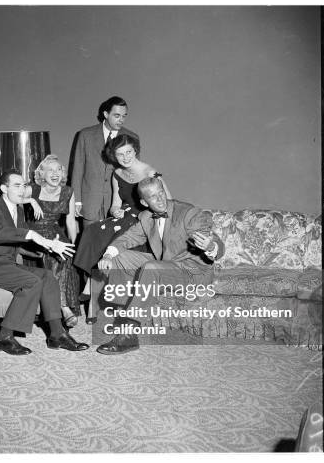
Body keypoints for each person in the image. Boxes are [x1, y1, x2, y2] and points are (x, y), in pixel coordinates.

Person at [95, 177, 225, 355]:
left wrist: (211, 246)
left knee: (152, 267)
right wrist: (108, 255)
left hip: (193, 272)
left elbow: (212, 238)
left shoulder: (187, 213)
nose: (160, 199)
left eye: (161, 193)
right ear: (144, 202)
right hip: (168, 265)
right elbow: (128, 238)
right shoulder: (146, 217)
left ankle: (129, 335)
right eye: (153, 196)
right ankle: (124, 316)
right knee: (120, 258)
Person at [0, 170, 90, 356]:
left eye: (24, 185)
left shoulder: (17, 209)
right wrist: (32, 235)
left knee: (48, 276)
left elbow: (21, 237)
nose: (22, 190)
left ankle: (57, 334)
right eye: (16, 185)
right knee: (31, 282)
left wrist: (48, 246)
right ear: (3, 188)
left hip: (6, 264)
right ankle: (3, 337)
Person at [73, 134, 171, 306]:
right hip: (125, 214)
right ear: (114, 156)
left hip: (145, 216)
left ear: (135, 151)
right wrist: (115, 211)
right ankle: (93, 280)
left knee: (116, 234)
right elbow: (115, 205)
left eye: (129, 152)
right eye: (120, 154)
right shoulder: (117, 173)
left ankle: (94, 285)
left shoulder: (150, 172)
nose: (125, 158)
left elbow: (168, 202)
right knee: (92, 230)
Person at [25, 155, 80, 327]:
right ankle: (63, 308)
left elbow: (70, 221)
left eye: (58, 170)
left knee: (65, 253)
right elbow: (9, 197)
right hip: (34, 233)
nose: (55, 173)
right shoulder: (32, 189)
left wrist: (74, 244)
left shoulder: (68, 192)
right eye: (50, 170)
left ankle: (60, 305)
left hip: (54, 231)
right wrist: (30, 200)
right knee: (53, 255)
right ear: (42, 174)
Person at [70, 96, 140, 227]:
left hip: (119, 206)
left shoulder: (132, 138)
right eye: (117, 115)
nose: (121, 120)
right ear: (106, 114)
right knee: (90, 245)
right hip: (90, 203)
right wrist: (76, 201)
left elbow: (134, 174)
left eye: (124, 116)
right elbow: (77, 170)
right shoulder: (85, 135)